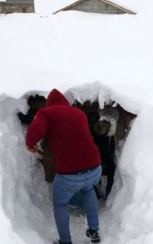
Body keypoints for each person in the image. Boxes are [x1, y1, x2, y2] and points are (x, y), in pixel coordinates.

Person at [25, 89, 102, 244]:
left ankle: (65, 241)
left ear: (49, 104)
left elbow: (34, 133)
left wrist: (30, 144)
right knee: (88, 189)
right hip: (95, 167)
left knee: (60, 204)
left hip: (70, 175)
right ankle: (94, 231)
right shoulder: (79, 113)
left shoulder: (46, 113)